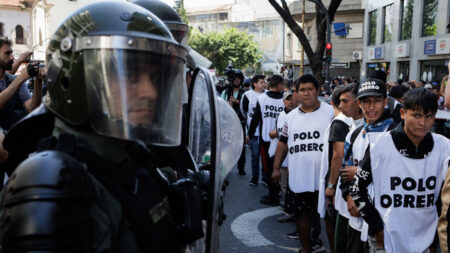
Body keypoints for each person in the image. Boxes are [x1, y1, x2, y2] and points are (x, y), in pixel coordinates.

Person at [0, 2, 207, 252]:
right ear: (76, 79)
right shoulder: (52, 184)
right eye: (131, 74)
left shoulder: (132, 153)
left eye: (154, 77)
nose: (150, 91)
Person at [351, 88, 449, 253]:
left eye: (429, 116)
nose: (423, 123)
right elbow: (357, 189)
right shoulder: (379, 145)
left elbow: (443, 199)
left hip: (426, 240)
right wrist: (376, 228)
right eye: (416, 115)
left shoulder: (444, 146)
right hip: (386, 239)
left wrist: (434, 239)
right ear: (403, 113)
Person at [272, 74, 334, 253]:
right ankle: (307, 249)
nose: (306, 94)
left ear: (318, 91)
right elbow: (283, 143)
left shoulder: (330, 113)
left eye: (310, 89)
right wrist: (276, 167)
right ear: (296, 93)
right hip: (300, 178)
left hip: (326, 178)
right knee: (302, 217)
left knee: (330, 218)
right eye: (302, 90)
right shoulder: (290, 117)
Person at [340, 79, 397, 252]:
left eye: (377, 101)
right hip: (357, 218)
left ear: (385, 102)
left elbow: (401, 174)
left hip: (385, 220)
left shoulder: (396, 133)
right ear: (359, 103)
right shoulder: (355, 134)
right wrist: (349, 196)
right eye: (366, 101)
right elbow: (344, 171)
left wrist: (360, 172)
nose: (371, 107)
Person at [317, 85, 353, 253]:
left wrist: (331, 185)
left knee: (333, 222)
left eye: (345, 101)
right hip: (347, 184)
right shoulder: (352, 121)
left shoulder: (339, 123)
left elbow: (337, 155)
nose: (342, 105)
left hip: (339, 184)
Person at [332, 83, 364, 253]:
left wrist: (359, 173)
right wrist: (343, 192)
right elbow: (345, 166)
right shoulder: (351, 128)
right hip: (348, 202)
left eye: (345, 101)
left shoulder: (385, 131)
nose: (341, 106)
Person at [249, 74, 284, 205]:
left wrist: (250, 134)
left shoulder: (262, 98)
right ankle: (277, 193)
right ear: (280, 85)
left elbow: (255, 118)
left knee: (269, 168)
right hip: (282, 140)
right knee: (281, 167)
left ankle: (273, 195)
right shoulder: (286, 99)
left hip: (266, 139)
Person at [0, 38, 44, 130]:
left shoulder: (13, 80)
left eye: (11, 53)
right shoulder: (17, 80)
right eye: (7, 53)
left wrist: (38, 80)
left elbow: (33, 108)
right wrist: (20, 78)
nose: (12, 57)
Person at [241, 74, 266, 185]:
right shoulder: (247, 95)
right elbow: (243, 112)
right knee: (255, 156)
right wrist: (248, 130)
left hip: (266, 132)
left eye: (264, 82)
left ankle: (265, 178)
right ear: (254, 84)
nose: (264, 83)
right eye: (261, 82)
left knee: (265, 157)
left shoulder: (268, 95)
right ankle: (255, 178)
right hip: (253, 132)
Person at [221, 69, 246, 175]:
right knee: (226, 146)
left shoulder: (244, 94)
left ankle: (241, 168)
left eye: (238, 78)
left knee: (241, 146)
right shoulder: (225, 92)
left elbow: (247, 108)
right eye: (235, 78)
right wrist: (227, 105)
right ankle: (227, 167)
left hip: (241, 123)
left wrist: (237, 102)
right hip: (228, 123)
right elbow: (221, 107)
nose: (236, 80)